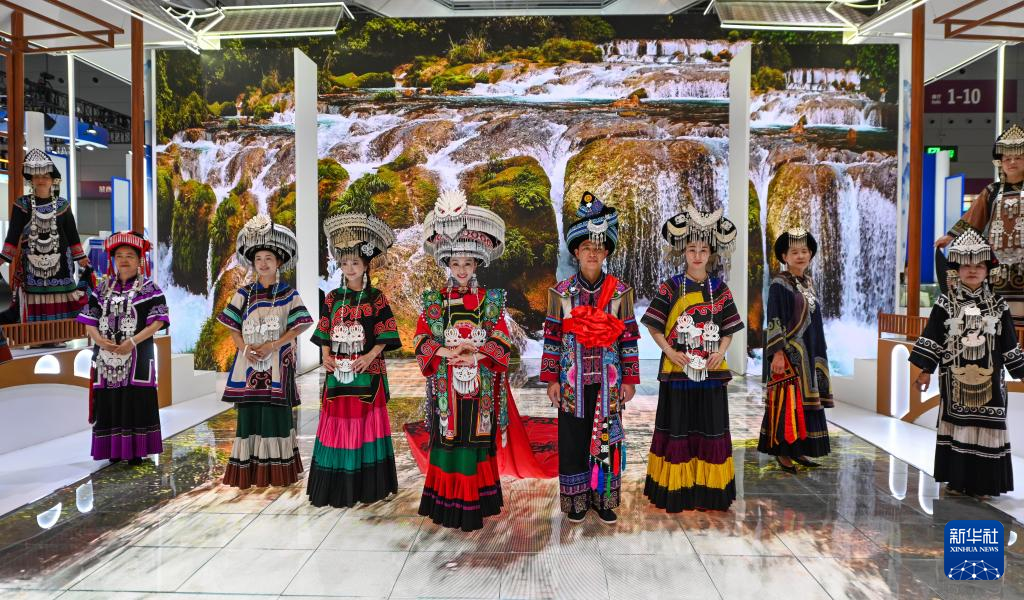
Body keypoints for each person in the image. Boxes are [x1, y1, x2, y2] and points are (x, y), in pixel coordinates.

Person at [415, 187, 513, 532]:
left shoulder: (491, 300)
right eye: (455, 263)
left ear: (477, 264)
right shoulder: (434, 301)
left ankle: (476, 501)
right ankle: (446, 502)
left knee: (475, 439)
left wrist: (476, 352)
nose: (461, 269)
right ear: (447, 264)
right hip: (447, 383)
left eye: (467, 263)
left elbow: (502, 340)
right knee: (449, 437)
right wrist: (446, 351)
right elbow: (421, 340)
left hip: (479, 383)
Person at [541, 192, 640, 524]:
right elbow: (552, 338)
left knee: (606, 439)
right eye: (586, 247)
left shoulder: (621, 293)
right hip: (572, 381)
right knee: (572, 441)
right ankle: (576, 502)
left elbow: (629, 339)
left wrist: (630, 380)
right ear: (576, 252)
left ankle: (604, 499)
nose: (593, 253)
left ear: (606, 251)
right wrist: (551, 380)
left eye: (599, 247)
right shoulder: (560, 293)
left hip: (609, 383)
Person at [641, 205, 743, 512]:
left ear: (711, 253)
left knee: (710, 428)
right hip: (678, 371)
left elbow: (729, 330)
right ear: (683, 252)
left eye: (703, 250)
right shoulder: (671, 287)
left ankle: (709, 492)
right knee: (679, 428)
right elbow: (654, 326)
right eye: (691, 250)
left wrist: (720, 352)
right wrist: (671, 352)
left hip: (712, 371)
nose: (697, 256)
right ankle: (677, 490)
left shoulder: (720, 289)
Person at [911, 230, 1024, 498]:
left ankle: (985, 484)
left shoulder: (998, 304)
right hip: (955, 379)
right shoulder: (945, 302)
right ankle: (957, 481)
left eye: (979, 266)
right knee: (958, 425)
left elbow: (1009, 341)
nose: (973, 270)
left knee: (989, 425)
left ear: (987, 270)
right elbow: (933, 338)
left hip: (991, 380)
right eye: (967, 265)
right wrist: (925, 371)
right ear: (957, 270)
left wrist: (1021, 372)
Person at [307, 211, 401, 507]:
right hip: (338, 373)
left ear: (366, 266)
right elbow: (324, 331)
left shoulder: (377, 298)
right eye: (345, 262)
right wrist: (325, 357)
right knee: (337, 423)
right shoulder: (332, 298)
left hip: (367, 372)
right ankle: (336, 487)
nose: (350, 268)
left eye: (356, 263)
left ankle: (367, 487)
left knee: (365, 424)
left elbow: (386, 334)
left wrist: (369, 357)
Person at [219, 215, 312, 488]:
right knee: (249, 414)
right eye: (258, 259)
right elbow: (232, 326)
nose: (263, 263)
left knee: (275, 414)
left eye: (268, 258)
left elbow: (302, 324)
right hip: (248, 363)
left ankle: (278, 470)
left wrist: (274, 344)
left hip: (278, 363)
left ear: (279, 262)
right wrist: (244, 348)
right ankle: (248, 471)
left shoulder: (289, 294)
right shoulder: (243, 294)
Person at [77, 231, 168, 465]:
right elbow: (89, 320)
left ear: (139, 260)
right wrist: (100, 342)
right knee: (109, 400)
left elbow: (158, 322)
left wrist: (132, 342)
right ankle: (113, 450)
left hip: (138, 355)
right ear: (113, 260)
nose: (124, 260)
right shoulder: (101, 289)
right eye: (119, 256)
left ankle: (135, 450)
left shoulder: (151, 289)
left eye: (130, 256)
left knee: (135, 400)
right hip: (105, 356)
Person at [757, 228, 833, 473]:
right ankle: (783, 452)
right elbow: (774, 319)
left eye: (804, 251)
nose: (800, 256)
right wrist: (778, 353)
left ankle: (800, 449)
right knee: (788, 402)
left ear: (810, 254)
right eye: (794, 252)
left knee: (805, 402)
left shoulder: (808, 282)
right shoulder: (779, 284)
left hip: (810, 352)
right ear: (784, 256)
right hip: (791, 353)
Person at [937, 124, 1024, 322]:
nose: (1012, 162)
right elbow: (973, 217)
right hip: (997, 265)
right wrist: (950, 236)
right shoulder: (991, 191)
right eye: (1007, 158)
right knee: (997, 314)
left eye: (1018, 157)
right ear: (999, 162)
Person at [2, 149, 89, 322]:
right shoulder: (22, 204)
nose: (41, 180)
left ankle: (60, 333)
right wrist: (3, 257)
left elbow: (72, 234)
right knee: (31, 296)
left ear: (52, 179)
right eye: (37, 176)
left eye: (45, 176)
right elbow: (13, 235)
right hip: (31, 263)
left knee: (63, 294)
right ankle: (35, 334)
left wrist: (81, 257)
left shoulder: (63, 204)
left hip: (61, 263)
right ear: (31, 179)